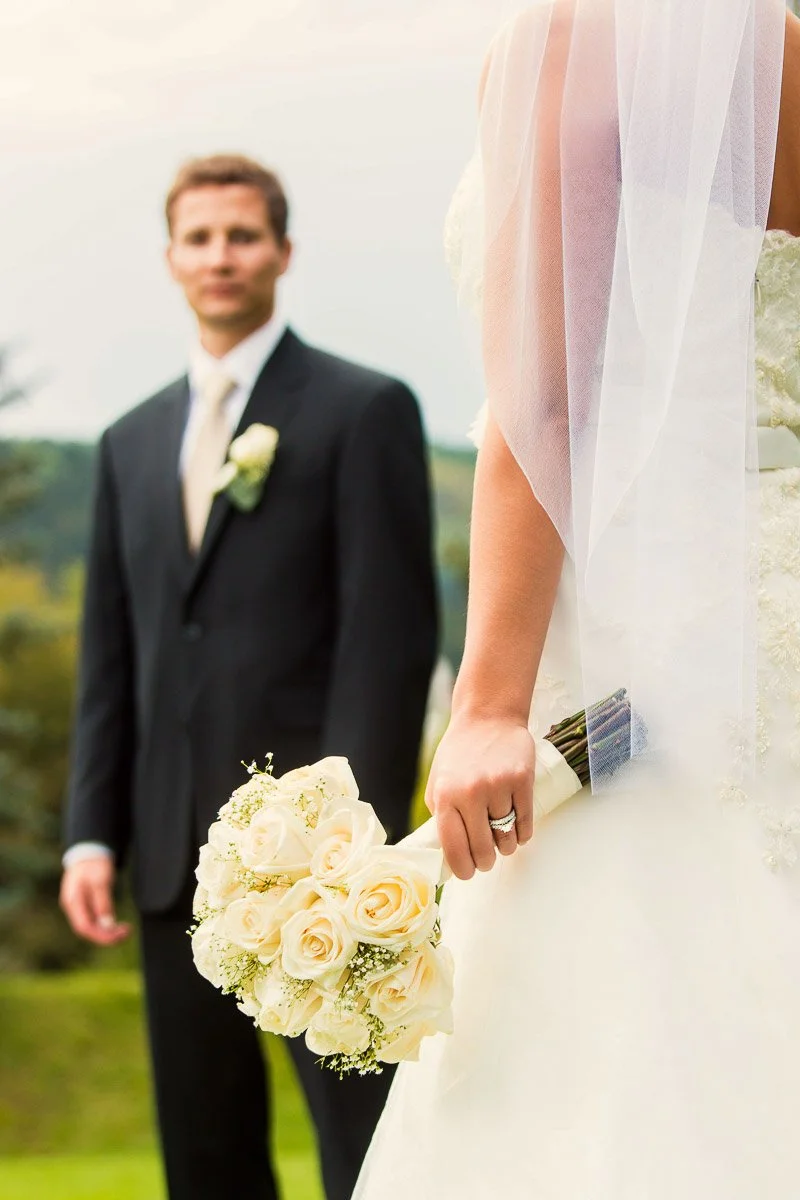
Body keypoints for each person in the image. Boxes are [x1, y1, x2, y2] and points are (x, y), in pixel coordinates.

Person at [354, 2, 800, 1197]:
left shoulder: (577, 35)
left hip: (632, 628)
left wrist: (490, 702)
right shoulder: (781, 49)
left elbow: (545, 402)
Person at [59, 153, 438, 1200]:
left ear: (282, 251)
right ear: (171, 256)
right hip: (172, 860)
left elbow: (389, 638)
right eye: (199, 237)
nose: (219, 257)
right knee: (206, 1154)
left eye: (241, 235)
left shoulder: (363, 411)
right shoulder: (128, 442)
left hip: (315, 871)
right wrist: (93, 830)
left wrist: (342, 847)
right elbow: (113, 653)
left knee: (360, 1148)